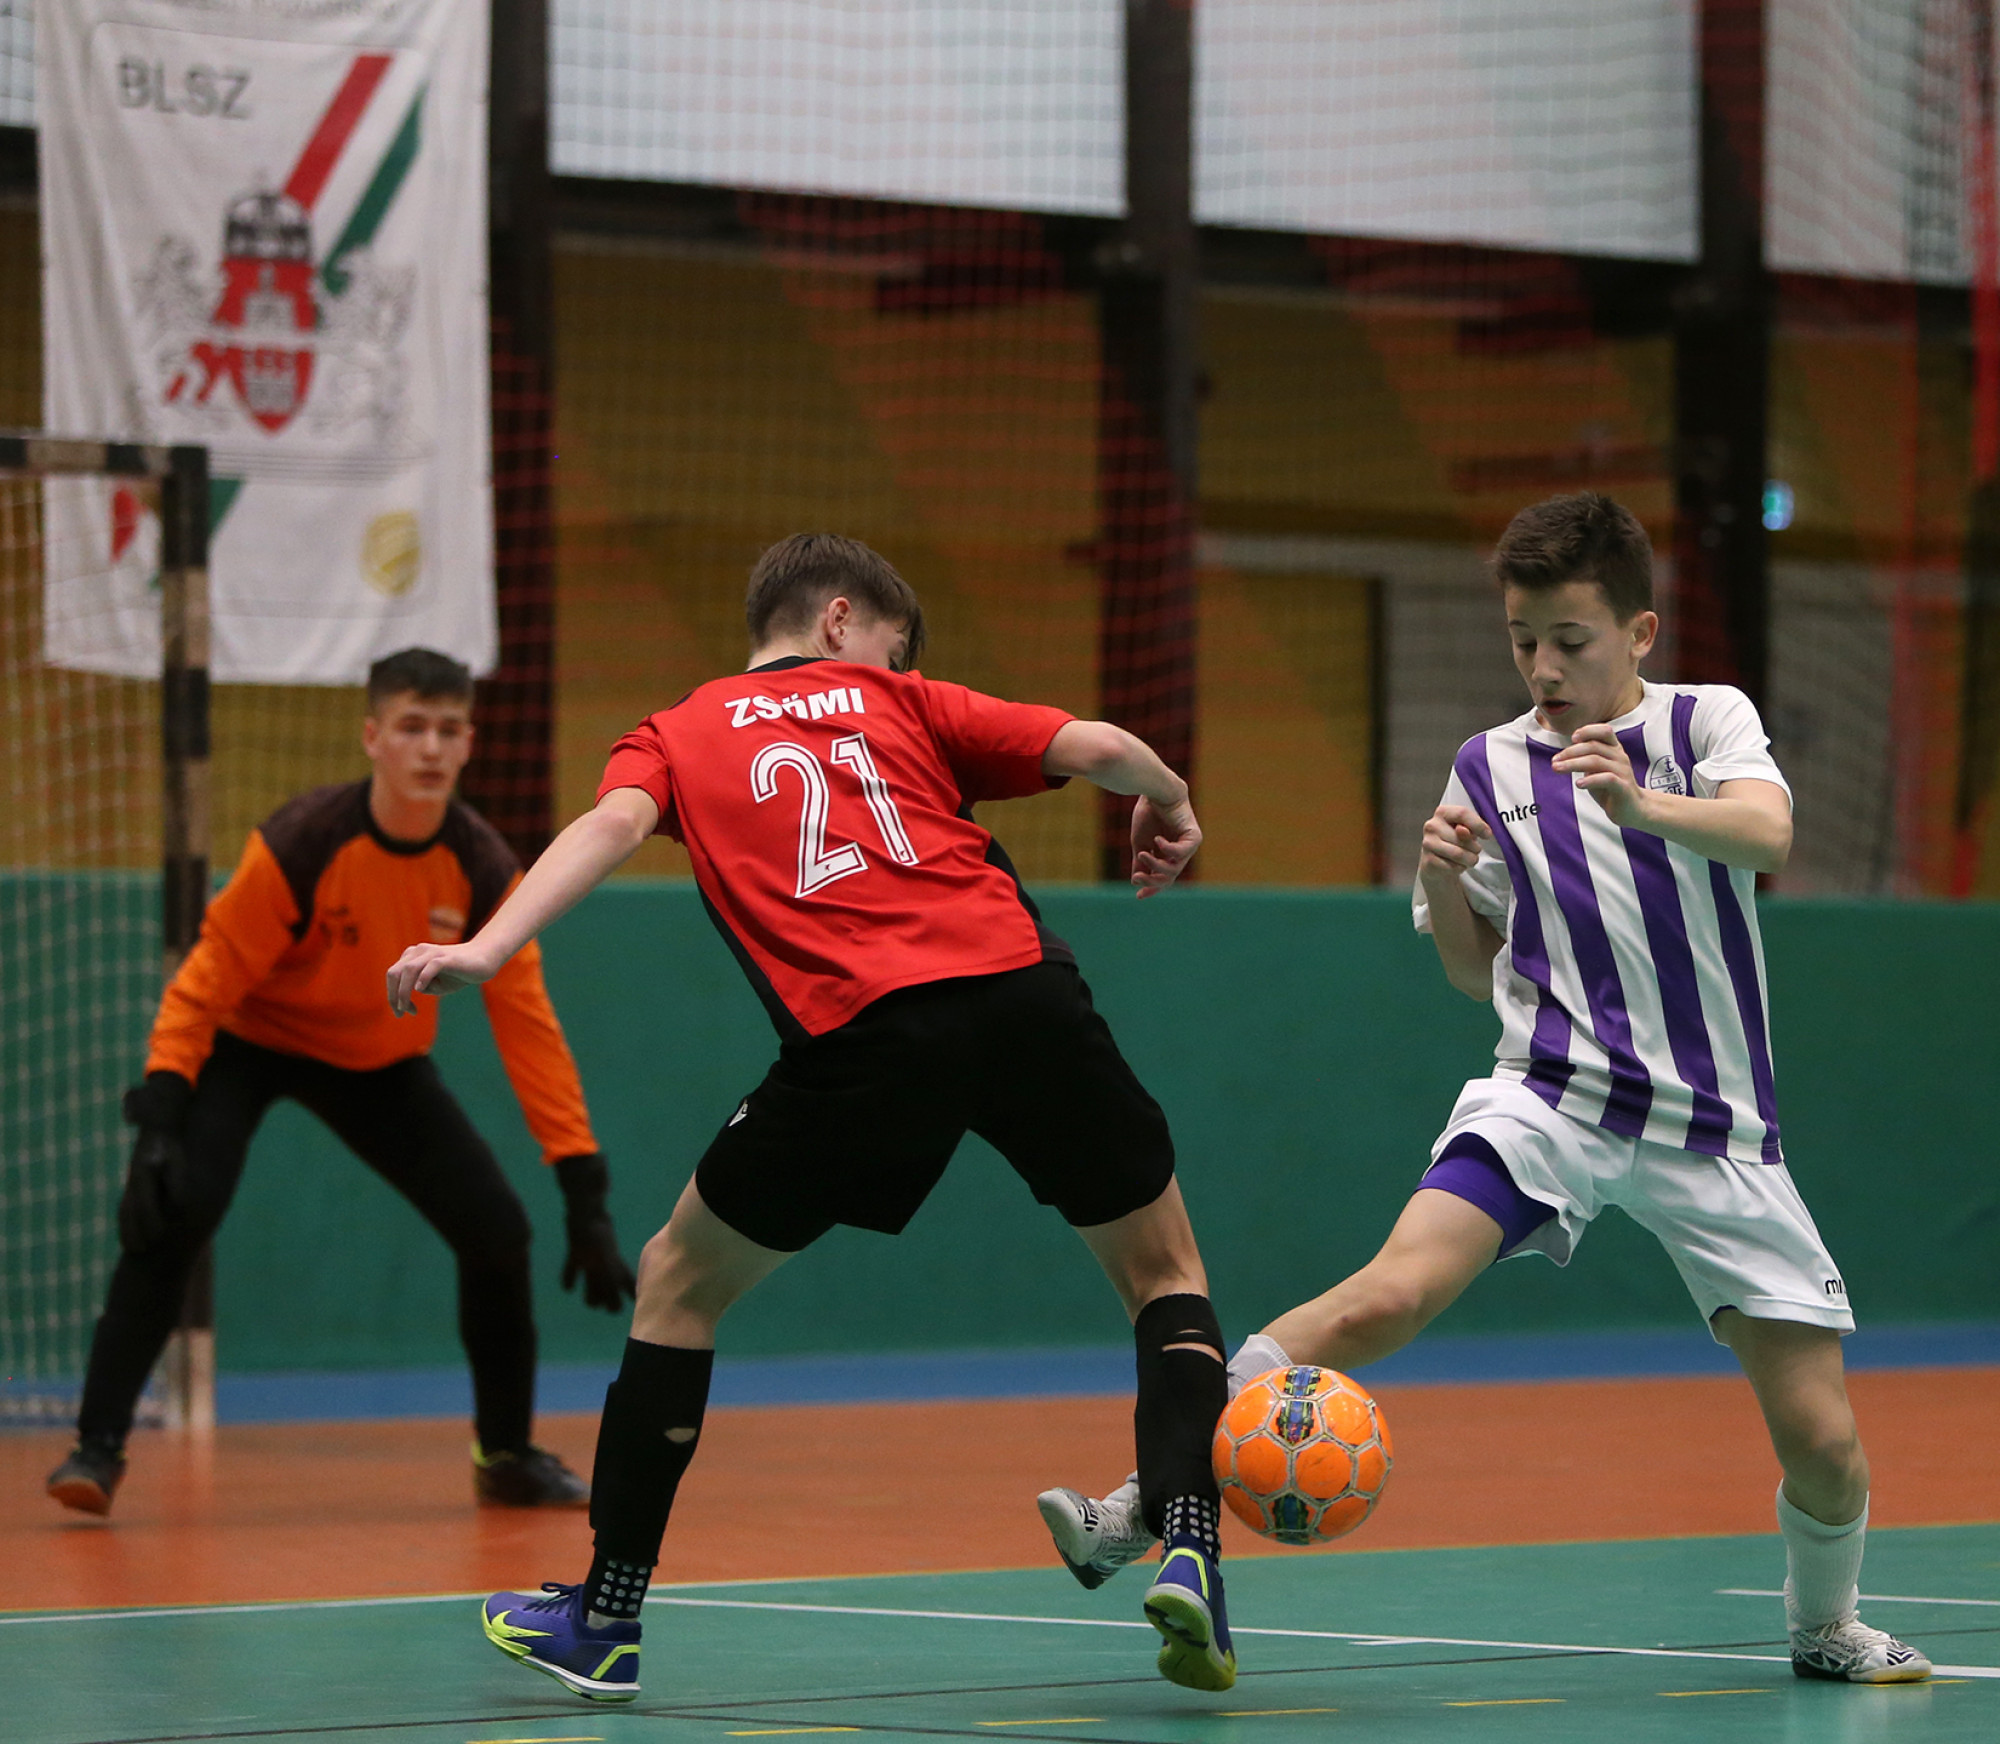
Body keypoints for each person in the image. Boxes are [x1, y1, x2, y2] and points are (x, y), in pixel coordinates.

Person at [1037, 493, 1931, 1687]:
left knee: (1822, 1441)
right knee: (1378, 1301)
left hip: (1715, 1130)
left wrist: (1634, 805)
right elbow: (1474, 975)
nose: (1543, 665)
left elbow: (1764, 834)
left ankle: (1822, 1626)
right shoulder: (1487, 763)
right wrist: (1444, 882)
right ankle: (1146, 1497)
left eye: (1570, 638)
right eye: (1522, 639)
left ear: (1639, 632)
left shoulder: (1701, 722)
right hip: (1546, 1097)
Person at [386, 534, 1234, 1704]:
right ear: (842, 621)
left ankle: (607, 1617)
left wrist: (485, 944)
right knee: (1161, 1268)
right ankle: (1190, 1537)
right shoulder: (904, 699)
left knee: (679, 1280)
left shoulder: (676, 730)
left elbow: (606, 829)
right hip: (1022, 988)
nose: (893, 662)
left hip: (865, 1038)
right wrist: (1170, 800)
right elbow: (1095, 746)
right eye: (895, 641)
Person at [46, 648, 635, 1517]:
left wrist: (581, 1186)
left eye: (447, 729)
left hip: (377, 1060)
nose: (430, 747)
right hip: (255, 1041)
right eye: (410, 727)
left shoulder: (481, 867)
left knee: (498, 1232)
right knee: (177, 1207)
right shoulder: (303, 842)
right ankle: (96, 1448)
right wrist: (161, 1114)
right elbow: (204, 979)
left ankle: (504, 1455)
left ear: (470, 742)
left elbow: (530, 1030)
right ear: (372, 737)